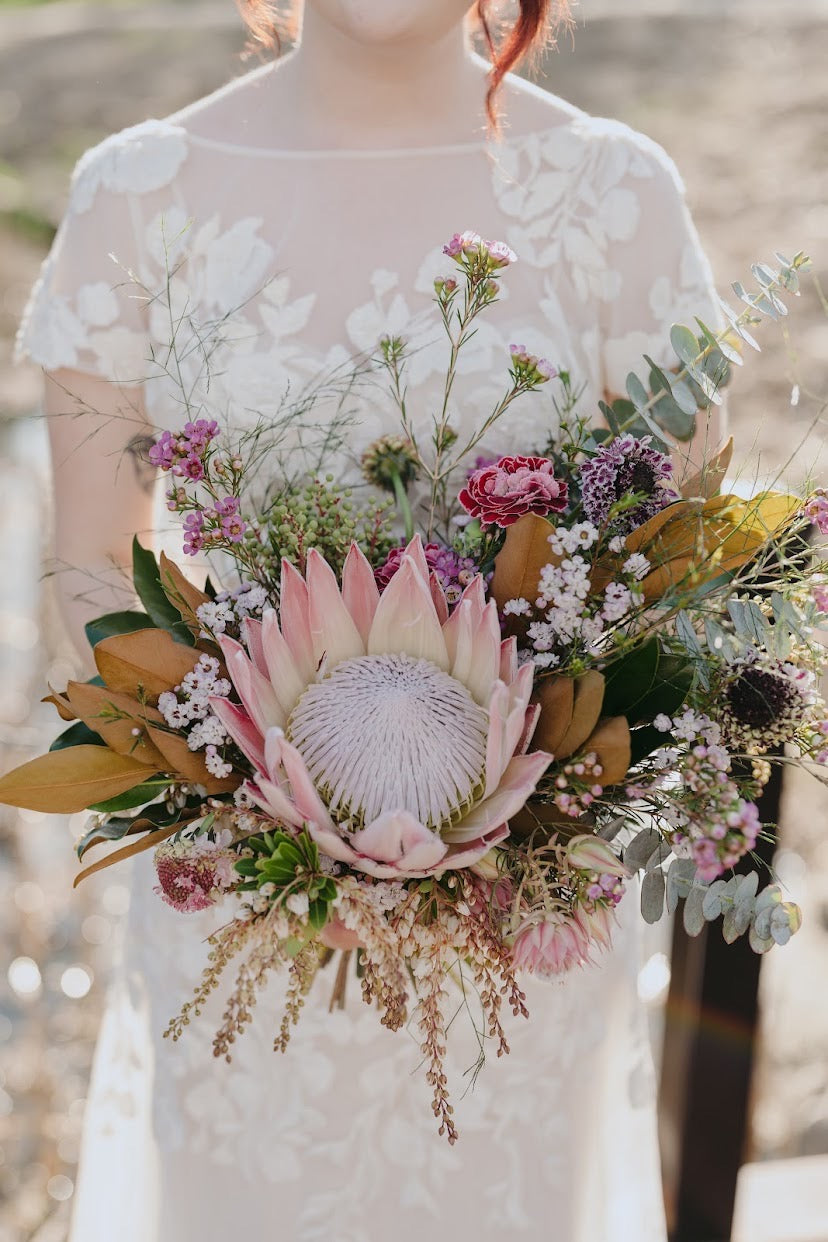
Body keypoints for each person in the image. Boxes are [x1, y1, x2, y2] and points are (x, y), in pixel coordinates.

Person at [16, 2, 723, 1238]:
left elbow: (681, 579)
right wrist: (248, 819)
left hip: (519, 935)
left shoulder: (615, 195)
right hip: (245, 920)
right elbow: (89, 566)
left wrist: (512, 839)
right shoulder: (136, 196)